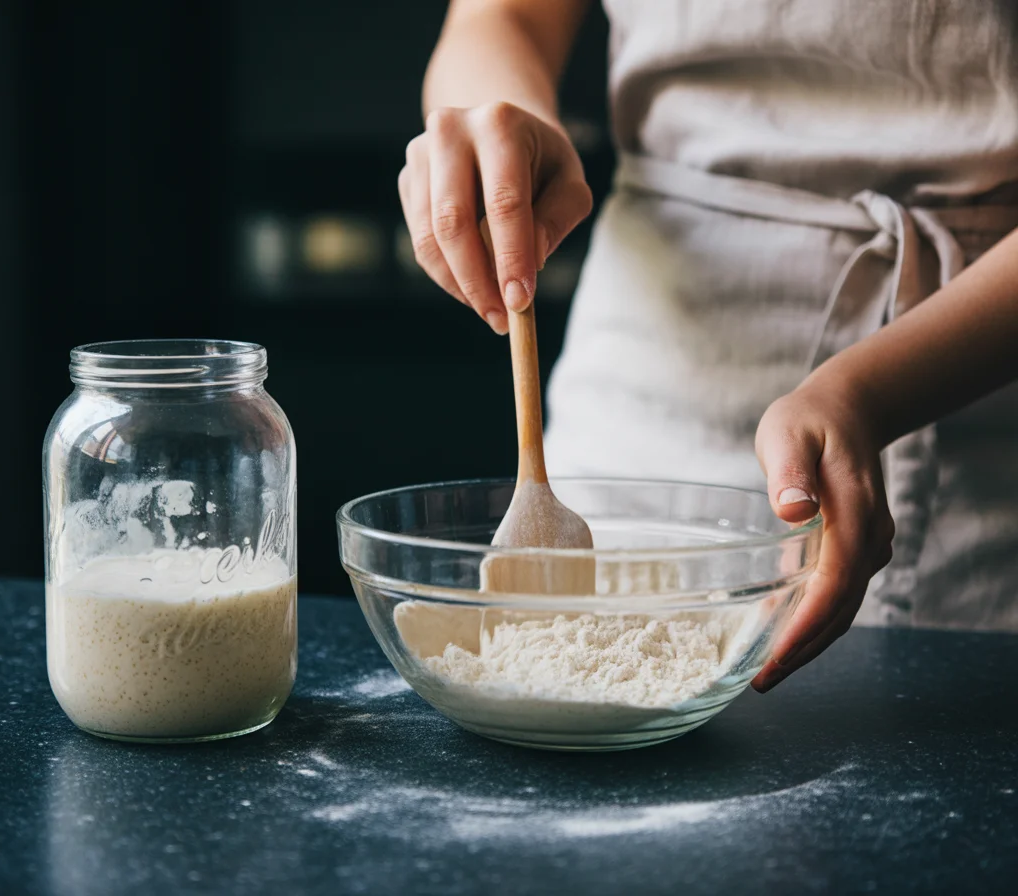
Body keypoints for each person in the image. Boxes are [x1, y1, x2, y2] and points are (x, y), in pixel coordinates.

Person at [398, 0, 1018, 690]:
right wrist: (503, 133)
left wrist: (868, 393)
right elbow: (504, 17)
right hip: (643, 393)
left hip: (977, 388)